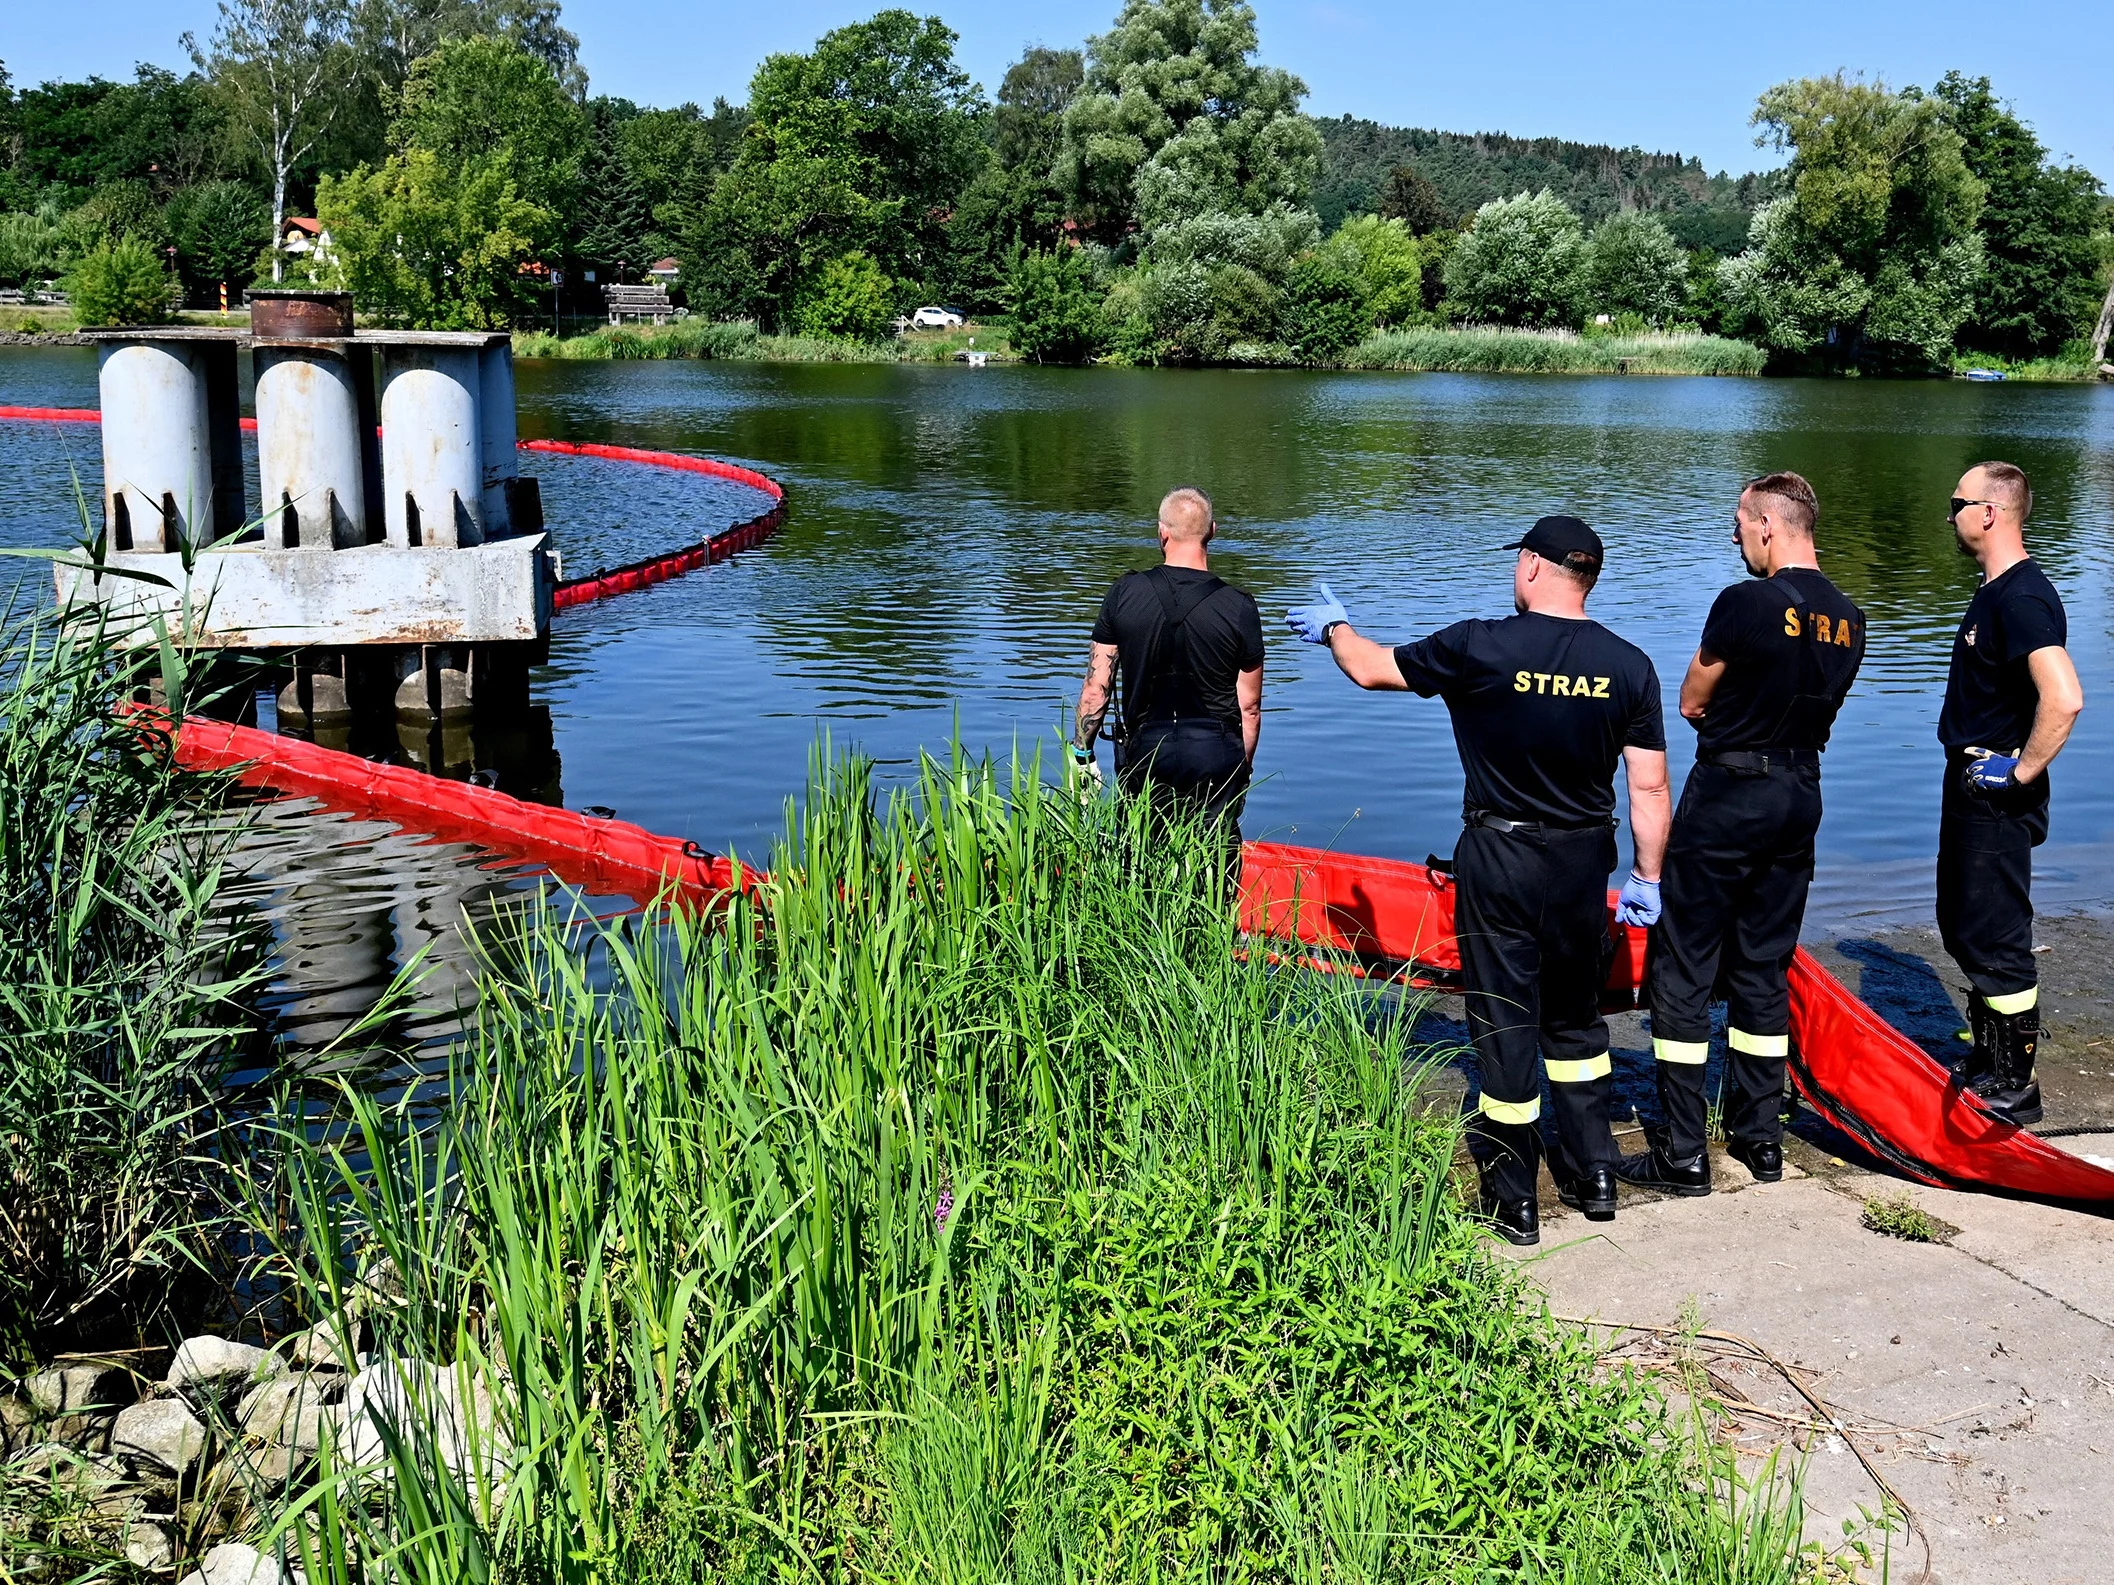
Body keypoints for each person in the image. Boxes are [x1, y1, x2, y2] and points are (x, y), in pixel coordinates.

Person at [1287, 517, 1671, 1246]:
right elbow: (1649, 788)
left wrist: (1337, 626)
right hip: (1584, 860)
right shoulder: (1630, 664)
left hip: (1501, 854)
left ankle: (1515, 1198)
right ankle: (1594, 1174)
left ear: (1532, 565)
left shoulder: (1479, 644)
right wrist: (1647, 876)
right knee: (1576, 1019)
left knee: (1503, 1021)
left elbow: (1370, 667)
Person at [1620, 472, 1865, 1197]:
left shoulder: (1744, 601)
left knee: (1683, 965)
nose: (1733, 537)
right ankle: (1762, 1140)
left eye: (1739, 522)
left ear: (1770, 524)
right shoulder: (1851, 616)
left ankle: (1684, 1152)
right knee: (1764, 966)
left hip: (1731, 789)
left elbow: (1693, 699)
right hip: (1801, 793)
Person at [1934, 462, 2083, 1125]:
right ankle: (1990, 1057)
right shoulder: (1994, 587)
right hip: (1970, 783)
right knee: (1964, 925)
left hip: (1996, 794)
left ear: (1989, 512)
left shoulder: (2022, 596)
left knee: (1995, 936)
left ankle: (2017, 1084)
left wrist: (2020, 770)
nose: (1950, 514)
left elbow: (2065, 695)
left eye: (1958, 503)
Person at [1073, 486, 1265, 840]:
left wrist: (1082, 756)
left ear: (1162, 532)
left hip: (1146, 752)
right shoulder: (1239, 606)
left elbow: (1094, 692)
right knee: (1215, 866)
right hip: (1216, 754)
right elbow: (1249, 707)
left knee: (1142, 862)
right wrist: (1242, 772)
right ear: (1212, 531)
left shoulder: (1124, 592)